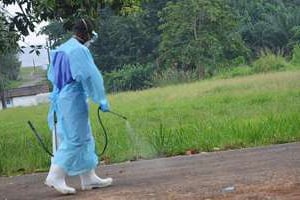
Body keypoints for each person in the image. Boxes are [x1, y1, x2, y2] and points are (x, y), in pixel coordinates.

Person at [45, 18, 112, 194]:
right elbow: (90, 76)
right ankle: (55, 175)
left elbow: (52, 75)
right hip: (73, 97)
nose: (91, 38)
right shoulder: (79, 50)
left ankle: (88, 177)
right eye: (91, 34)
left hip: (63, 96)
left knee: (85, 136)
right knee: (76, 139)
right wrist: (101, 99)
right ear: (85, 33)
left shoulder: (62, 48)